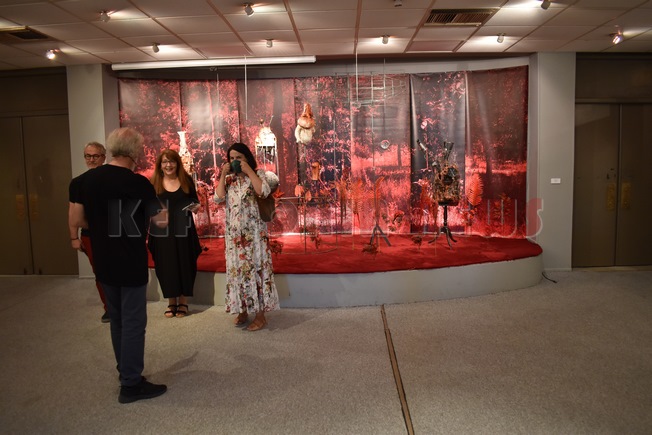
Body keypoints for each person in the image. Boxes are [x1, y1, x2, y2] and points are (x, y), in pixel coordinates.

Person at [69, 127, 168, 404]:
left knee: (117, 319)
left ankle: (125, 372)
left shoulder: (86, 181)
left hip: (103, 258)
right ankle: (131, 385)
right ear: (135, 151)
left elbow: (77, 220)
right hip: (130, 259)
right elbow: (161, 221)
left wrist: (101, 228)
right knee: (134, 322)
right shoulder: (137, 183)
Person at [214, 142, 280, 331]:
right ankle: (242, 310)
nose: (235, 161)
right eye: (232, 158)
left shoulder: (258, 175)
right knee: (238, 273)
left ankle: (260, 316)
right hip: (235, 238)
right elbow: (218, 198)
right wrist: (222, 174)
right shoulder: (229, 180)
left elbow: (263, 192)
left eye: (239, 158)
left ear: (247, 158)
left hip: (255, 237)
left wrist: (249, 170)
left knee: (256, 272)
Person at [148, 149, 202, 318]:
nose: (168, 165)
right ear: (160, 165)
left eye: (171, 161)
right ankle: (171, 302)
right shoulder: (153, 183)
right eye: (165, 162)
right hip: (162, 232)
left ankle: (183, 302)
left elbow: (195, 203)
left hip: (184, 231)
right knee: (166, 266)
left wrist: (192, 207)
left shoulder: (186, 180)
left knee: (185, 263)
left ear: (177, 163)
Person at [68, 141, 109, 323]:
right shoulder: (77, 183)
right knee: (100, 272)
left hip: (113, 234)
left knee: (116, 270)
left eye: (95, 156)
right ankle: (109, 307)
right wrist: (73, 237)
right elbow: (72, 212)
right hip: (90, 235)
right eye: (88, 156)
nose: (91, 159)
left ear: (103, 157)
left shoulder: (112, 180)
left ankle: (121, 304)